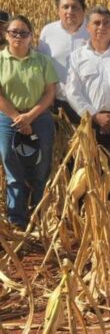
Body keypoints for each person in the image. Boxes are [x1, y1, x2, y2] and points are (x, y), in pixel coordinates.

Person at [0, 15, 58, 227]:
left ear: (31, 37)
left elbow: (50, 92)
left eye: (24, 32)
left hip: (39, 118)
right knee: (11, 166)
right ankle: (17, 219)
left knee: (41, 167)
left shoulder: (42, 61)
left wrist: (30, 117)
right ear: (6, 35)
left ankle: (40, 215)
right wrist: (17, 117)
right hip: (7, 119)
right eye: (14, 32)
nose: (18, 36)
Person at [65, 6, 110, 171]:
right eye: (96, 23)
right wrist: (94, 115)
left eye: (106, 23)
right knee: (88, 174)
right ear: (88, 27)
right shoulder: (77, 56)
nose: (101, 27)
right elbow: (72, 91)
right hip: (88, 124)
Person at [38, 0, 89, 124]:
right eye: (65, 7)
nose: (70, 11)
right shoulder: (48, 32)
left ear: (83, 10)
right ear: (58, 10)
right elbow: (40, 67)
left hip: (89, 104)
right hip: (57, 104)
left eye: (75, 7)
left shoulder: (95, 30)